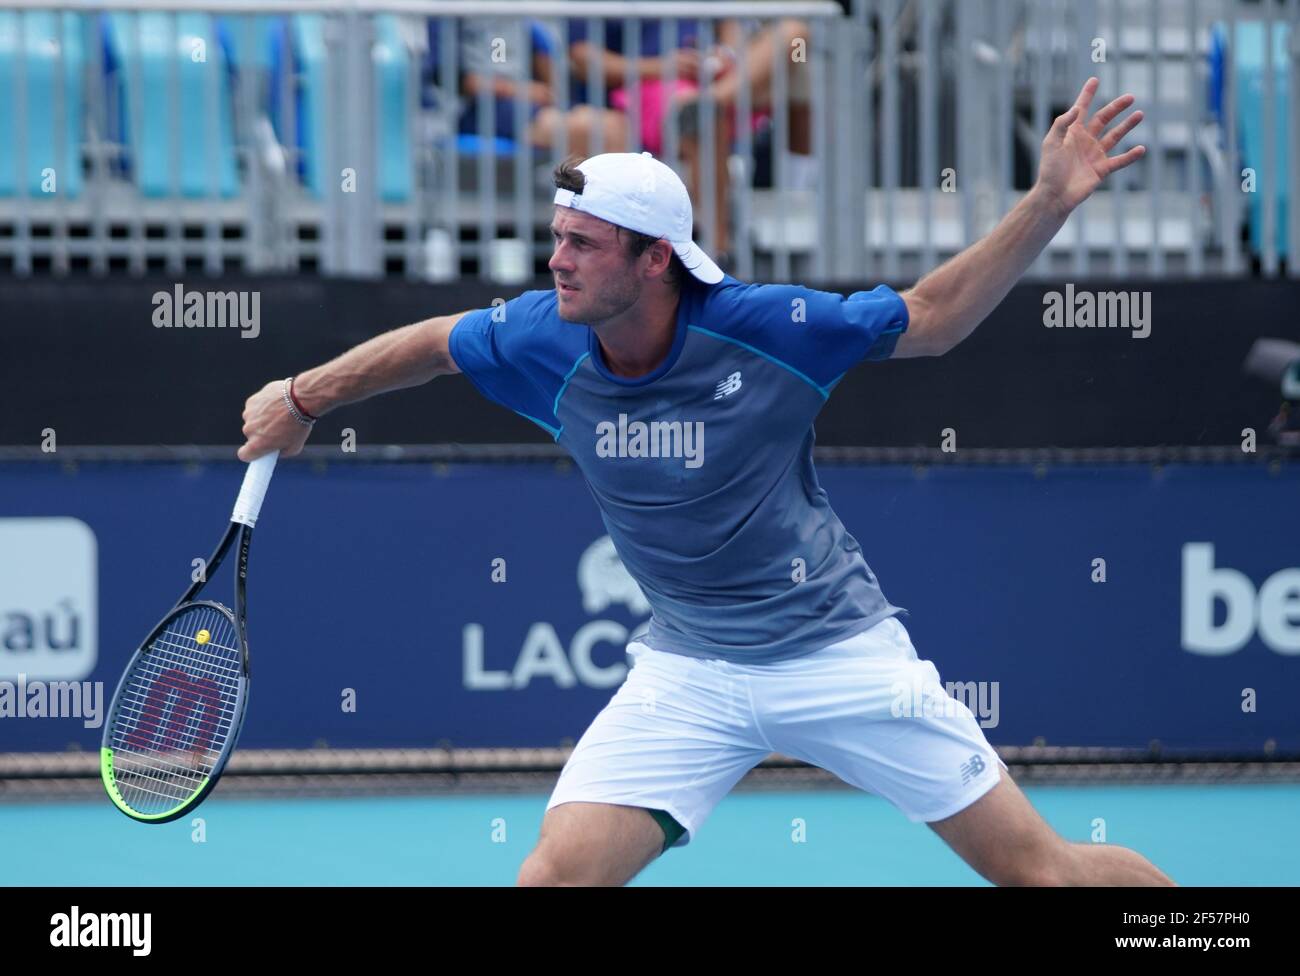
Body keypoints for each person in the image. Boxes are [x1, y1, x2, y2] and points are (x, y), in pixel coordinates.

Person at [238, 77, 1173, 887]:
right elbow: (434, 346)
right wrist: (302, 397)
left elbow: (932, 317)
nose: (556, 260)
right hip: (688, 674)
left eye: (584, 244)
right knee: (554, 875)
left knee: (1041, 871)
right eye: (556, 237)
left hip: (837, 655)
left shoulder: (769, 326)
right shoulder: (543, 335)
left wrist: (1050, 199)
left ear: (656, 260)